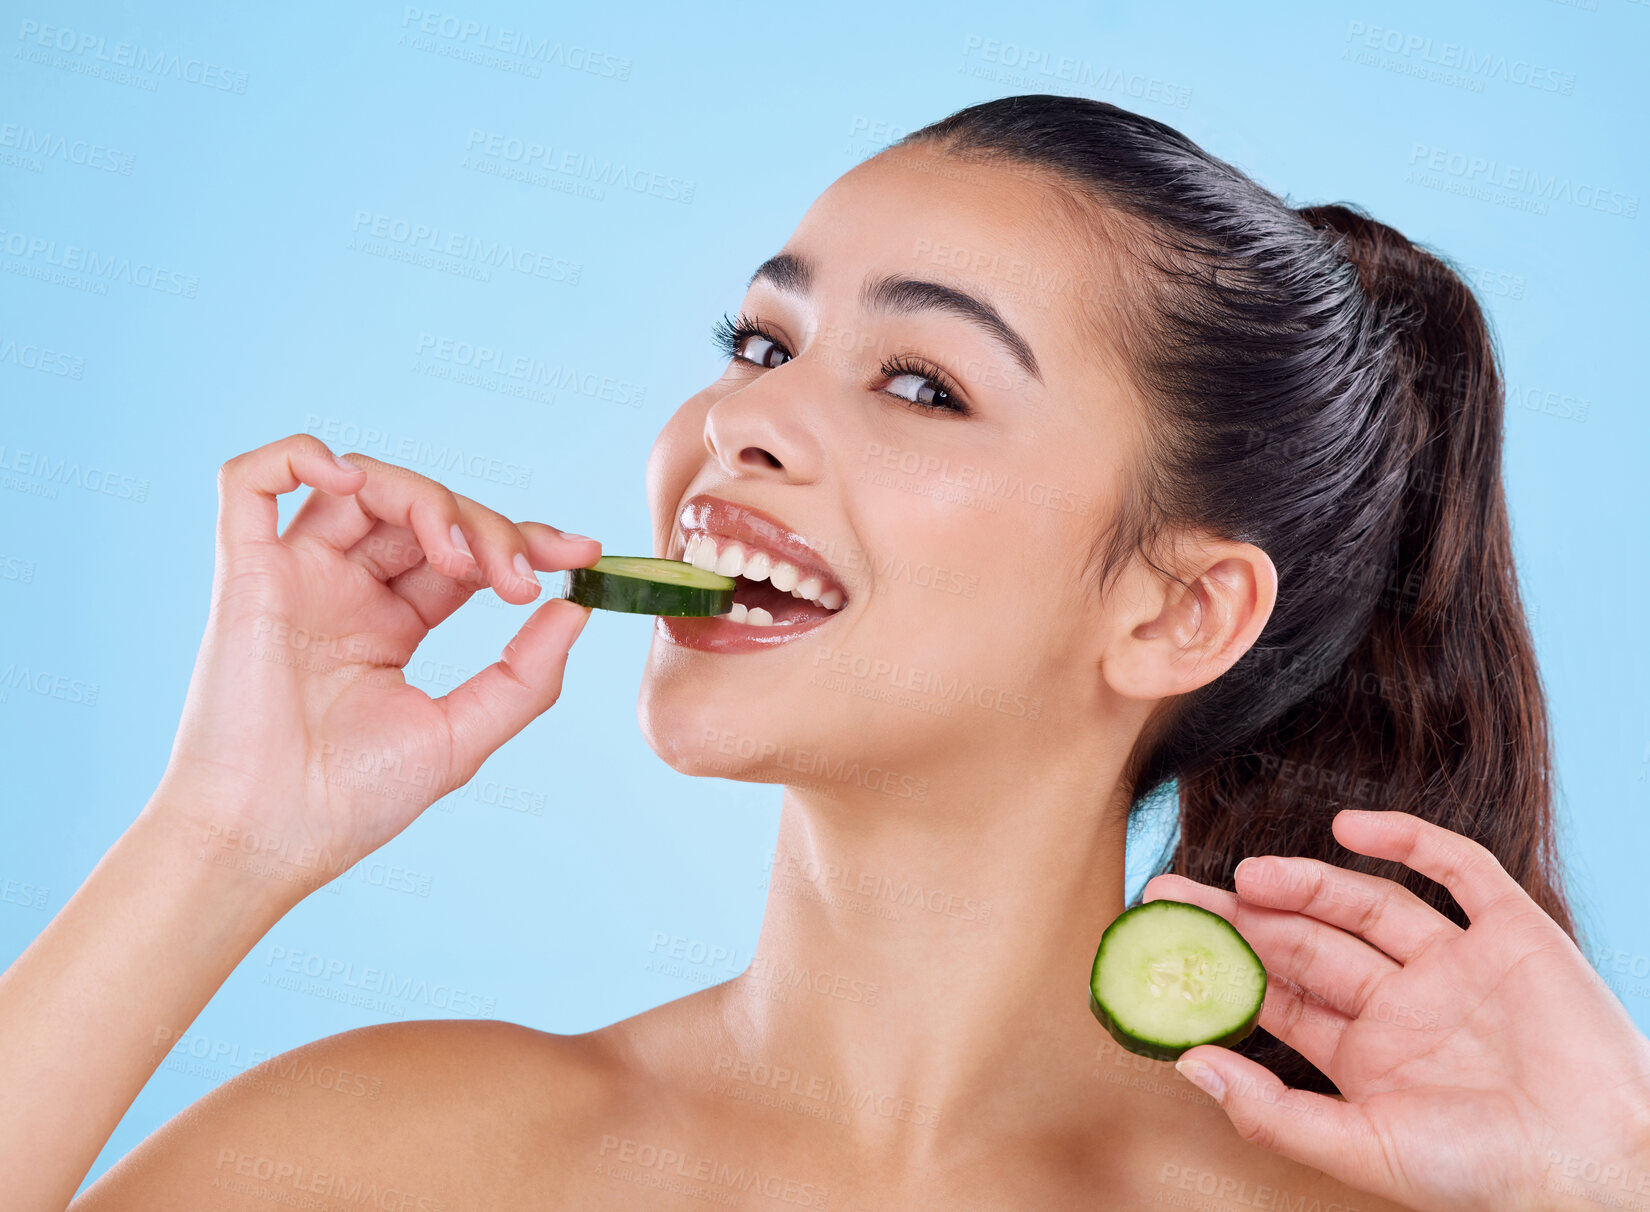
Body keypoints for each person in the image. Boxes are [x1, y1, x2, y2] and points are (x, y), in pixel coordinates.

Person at [4, 94, 1646, 1212]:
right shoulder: (400, 1152)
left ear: (1171, 612)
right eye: (760, 342)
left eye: (921, 383)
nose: (742, 421)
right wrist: (221, 837)